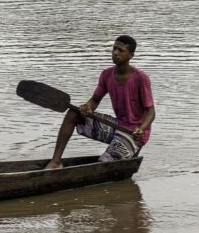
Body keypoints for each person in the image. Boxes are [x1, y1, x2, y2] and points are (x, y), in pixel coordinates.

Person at [44, 35, 155, 169]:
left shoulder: (140, 78)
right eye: (114, 48)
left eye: (120, 50)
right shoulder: (106, 75)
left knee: (103, 164)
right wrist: (87, 107)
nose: (115, 53)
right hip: (117, 125)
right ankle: (56, 162)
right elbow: (95, 100)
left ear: (131, 55)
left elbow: (151, 112)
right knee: (73, 114)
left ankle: (130, 148)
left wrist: (141, 129)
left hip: (134, 133)